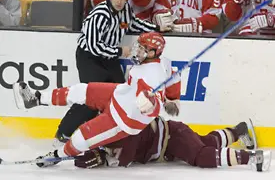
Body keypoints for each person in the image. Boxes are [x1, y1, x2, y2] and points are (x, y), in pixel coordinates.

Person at [13, 32, 180, 168]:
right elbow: (174, 74)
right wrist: (173, 100)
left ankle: (56, 156)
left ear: (152, 53)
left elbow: (155, 104)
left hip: (123, 118)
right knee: (81, 90)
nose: (137, 51)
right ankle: (35, 99)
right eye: (139, 47)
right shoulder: (163, 63)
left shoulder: (152, 75)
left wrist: (151, 106)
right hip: (120, 94)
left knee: (80, 138)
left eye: (143, 49)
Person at [54, 0, 172, 147]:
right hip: (90, 58)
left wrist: (157, 28)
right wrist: (119, 51)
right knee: (90, 97)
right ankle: (63, 133)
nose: (120, 1)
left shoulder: (125, 10)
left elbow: (134, 24)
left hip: (109, 58)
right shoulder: (99, 15)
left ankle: (109, 135)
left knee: (122, 95)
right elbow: (94, 46)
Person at [73, 117, 272, 172]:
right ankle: (239, 130)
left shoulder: (123, 129)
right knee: (207, 142)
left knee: (202, 156)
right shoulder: (110, 131)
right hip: (171, 141)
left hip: (172, 137)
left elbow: (125, 158)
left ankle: (254, 157)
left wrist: (105, 159)